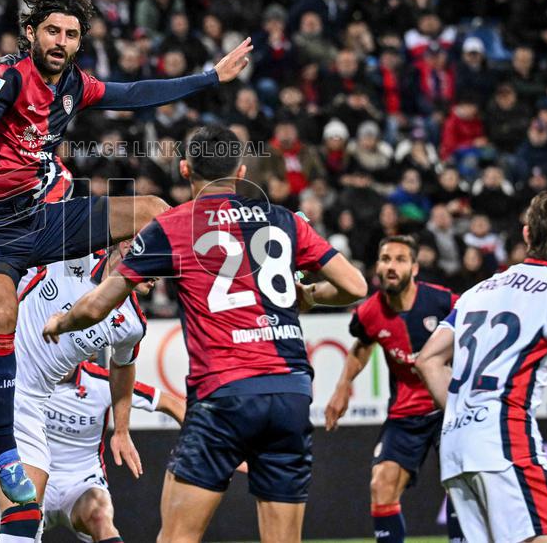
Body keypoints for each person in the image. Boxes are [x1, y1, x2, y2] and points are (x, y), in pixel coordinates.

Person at [0, 0, 252, 502]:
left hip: (42, 218)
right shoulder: (7, 77)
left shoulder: (75, 86)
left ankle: (218, 285)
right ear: (31, 32)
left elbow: (137, 93)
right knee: (1, 314)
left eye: (71, 34)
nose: (61, 42)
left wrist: (209, 78)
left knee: (153, 210)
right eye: (52, 31)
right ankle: (7, 451)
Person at [43, 125, 368, 543]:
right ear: (241, 171)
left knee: (177, 537)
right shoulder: (284, 219)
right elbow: (355, 286)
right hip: (290, 391)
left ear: (184, 169)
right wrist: (307, 296)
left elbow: (98, 304)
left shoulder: (172, 226)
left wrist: (62, 322)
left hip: (224, 395)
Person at [0, 242, 150, 543]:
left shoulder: (132, 324)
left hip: (32, 401)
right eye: (156, 258)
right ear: (126, 245)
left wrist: (121, 430)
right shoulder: (75, 254)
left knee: (25, 513)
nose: (158, 273)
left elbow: (123, 366)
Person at [416, 189, 547, 543]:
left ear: (527, 234)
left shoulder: (478, 291)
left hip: (456, 446)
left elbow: (427, 360)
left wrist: (464, 414)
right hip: (504, 442)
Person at [324, 236, 463, 543]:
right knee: (381, 484)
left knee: (461, 486)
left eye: (400, 260)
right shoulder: (369, 313)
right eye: (386, 259)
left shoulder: (442, 301)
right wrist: (342, 386)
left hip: (448, 408)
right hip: (405, 413)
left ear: (414, 268)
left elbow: (475, 325)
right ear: (377, 266)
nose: (391, 266)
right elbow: (362, 345)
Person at [42, 361, 186, 542]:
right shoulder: (24, 375)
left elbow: (171, 403)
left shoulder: (101, 381)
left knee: (100, 515)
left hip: (81, 482)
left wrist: (194, 444)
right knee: (17, 522)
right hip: (33, 477)